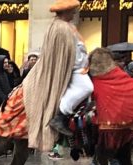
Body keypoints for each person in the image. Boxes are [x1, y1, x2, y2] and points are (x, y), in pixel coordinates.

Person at [24, 0, 94, 146]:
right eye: (72, 11)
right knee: (87, 87)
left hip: (79, 66)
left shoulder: (67, 26)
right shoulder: (60, 28)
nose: (75, 13)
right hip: (73, 68)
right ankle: (61, 115)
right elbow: (64, 52)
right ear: (65, 12)